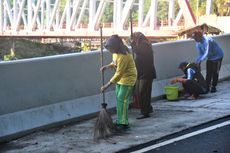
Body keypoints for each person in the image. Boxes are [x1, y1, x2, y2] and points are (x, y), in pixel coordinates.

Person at [101, 35, 137, 130]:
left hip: (128, 79)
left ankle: (124, 122)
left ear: (115, 46)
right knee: (119, 99)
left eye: (110, 48)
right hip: (121, 80)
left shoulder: (124, 56)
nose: (109, 51)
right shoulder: (115, 54)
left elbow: (119, 73)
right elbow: (114, 63)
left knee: (123, 100)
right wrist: (107, 67)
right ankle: (120, 120)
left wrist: (107, 85)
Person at [130, 32, 156, 119]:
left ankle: (145, 112)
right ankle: (148, 108)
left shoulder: (144, 45)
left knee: (142, 93)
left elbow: (138, 52)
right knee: (142, 92)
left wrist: (133, 45)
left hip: (146, 72)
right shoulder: (143, 44)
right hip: (141, 72)